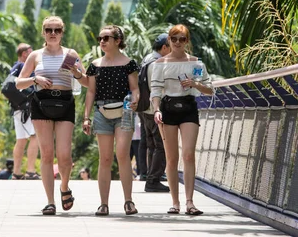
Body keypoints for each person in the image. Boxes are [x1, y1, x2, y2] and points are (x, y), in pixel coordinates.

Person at [16, 16, 88, 215]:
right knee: (46, 154)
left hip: (65, 102)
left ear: (62, 33)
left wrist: (77, 73)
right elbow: (18, 83)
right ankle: (50, 201)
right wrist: (34, 78)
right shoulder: (35, 56)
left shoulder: (71, 54)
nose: (53, 33)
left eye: (57, 30)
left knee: (64, 155)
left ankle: (64, 187)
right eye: (49, 30)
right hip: (41, 103)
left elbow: (87, 83)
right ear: (43, 33)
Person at [151, 25, 213, 216]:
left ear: (187, 41)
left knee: (188, 154)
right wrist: (156, 110)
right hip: (168, 109)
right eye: (174, 38)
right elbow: (155, 90)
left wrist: (195, 84)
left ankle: (189, 202)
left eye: (182, 39)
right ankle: (175, 202)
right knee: (171, 158)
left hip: (188, 109)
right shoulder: (160, 63)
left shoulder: (196, 63)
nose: (177, 42)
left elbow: (210, 89)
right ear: (168, 40)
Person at [83, 25, 140, 217]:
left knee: (122, 154)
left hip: (124, 111)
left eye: (106, 38)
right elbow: (90, 91)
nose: (102, 41)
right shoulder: (95, 65)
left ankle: (128, 201)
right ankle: (103, 204)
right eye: (100, 38)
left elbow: (134, 88)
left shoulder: (129, 63)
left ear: (118, 41)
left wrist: (136, 99)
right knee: (105, 158)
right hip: (101, 112)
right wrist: (86, 117)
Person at [140, 33, 171, 192]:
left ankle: (152, 178)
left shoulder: (147, 59)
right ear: (164, 47)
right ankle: (153, 180)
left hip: (145, 109)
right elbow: (158, 88)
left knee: (152, 145)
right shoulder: (158, 63)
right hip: (155, 109)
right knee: (162, 146)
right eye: (171, 46)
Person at [10, 43, 40, 180]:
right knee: (34, 137)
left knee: (21, 140)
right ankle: (30, 171)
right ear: (24, 54)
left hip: (17, 108)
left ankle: (16, 172)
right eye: (30, 51)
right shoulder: (23, 67)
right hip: (26, 108)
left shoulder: (14, 67)